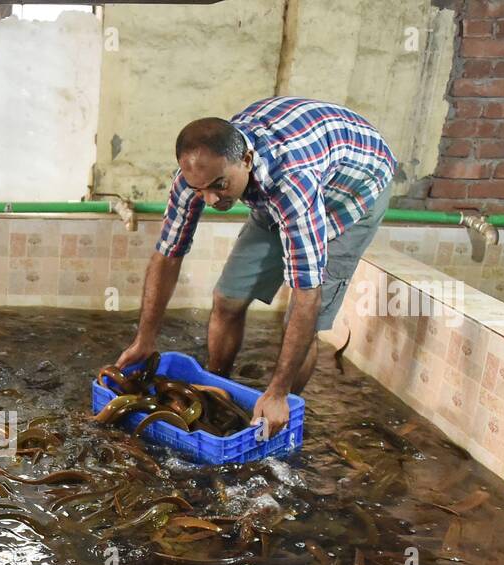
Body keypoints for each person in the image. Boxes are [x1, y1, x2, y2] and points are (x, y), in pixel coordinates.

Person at [116, 97, 395, 436]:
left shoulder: (293, 185)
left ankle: (282, 408)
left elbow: (307, 293)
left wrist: (276, 390)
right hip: (278, 186)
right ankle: (217, 387)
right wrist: (145, 339)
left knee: (303, 318)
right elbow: (167, 254)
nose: (212, 200)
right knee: (227, 299)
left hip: (355, 190)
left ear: (246, 160)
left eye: (220, 186)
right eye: (199, 190)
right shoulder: (199, 175)